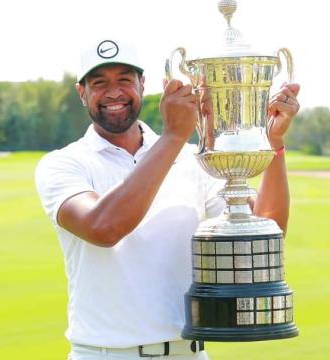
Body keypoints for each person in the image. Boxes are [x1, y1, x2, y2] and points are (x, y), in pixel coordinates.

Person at [35, 38, 300, 360]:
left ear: (142, 85)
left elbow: (265, 233)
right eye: (99, 82)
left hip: (188, 353)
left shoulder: (195, 160)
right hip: (106, 354)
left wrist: (273, 143)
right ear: (82, 93)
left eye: (124, 80)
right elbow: (103, 228)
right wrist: (174, 136)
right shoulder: (64, 163)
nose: (113, 92)